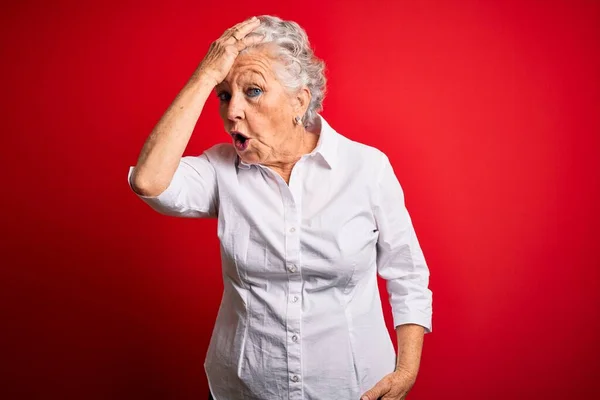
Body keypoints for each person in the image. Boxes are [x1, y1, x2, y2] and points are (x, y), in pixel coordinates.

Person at [128, 15, 433, 400]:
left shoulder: (366, 168)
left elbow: (407, 273)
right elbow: (148, 180)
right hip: (244, 388)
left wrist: (405, 370)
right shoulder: (220, 169)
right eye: (224, 95)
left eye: (252, 91)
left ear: (299, 101)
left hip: (352, 388)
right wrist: (206, 76)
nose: (231, 111)